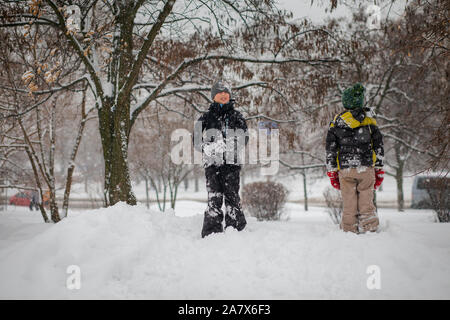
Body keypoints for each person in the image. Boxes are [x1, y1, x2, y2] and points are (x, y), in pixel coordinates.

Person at [325, 83, 385, 234]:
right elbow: (378, 147)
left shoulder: (336, 123)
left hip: (345, 170)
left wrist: (332, 171)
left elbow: (330, 150)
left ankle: (349, 230)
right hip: (365, 167)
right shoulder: (370, 122)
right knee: (366, 201)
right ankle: (369, 227)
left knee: (349, 203)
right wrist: (379, 169)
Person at [193, 80, 248, 238]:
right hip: (212, 164)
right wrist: (207, 147)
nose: (223, 95)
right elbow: (196, 139)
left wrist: (231, 144)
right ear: (213, 97)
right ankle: (212, 229)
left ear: (230, 96)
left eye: (226, 93)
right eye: (219, 93)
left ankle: (235, 226)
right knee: (214, 196)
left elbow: (244, 136)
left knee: (232, 195)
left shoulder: (237, 116)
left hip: (231, 164)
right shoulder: (206, 117)